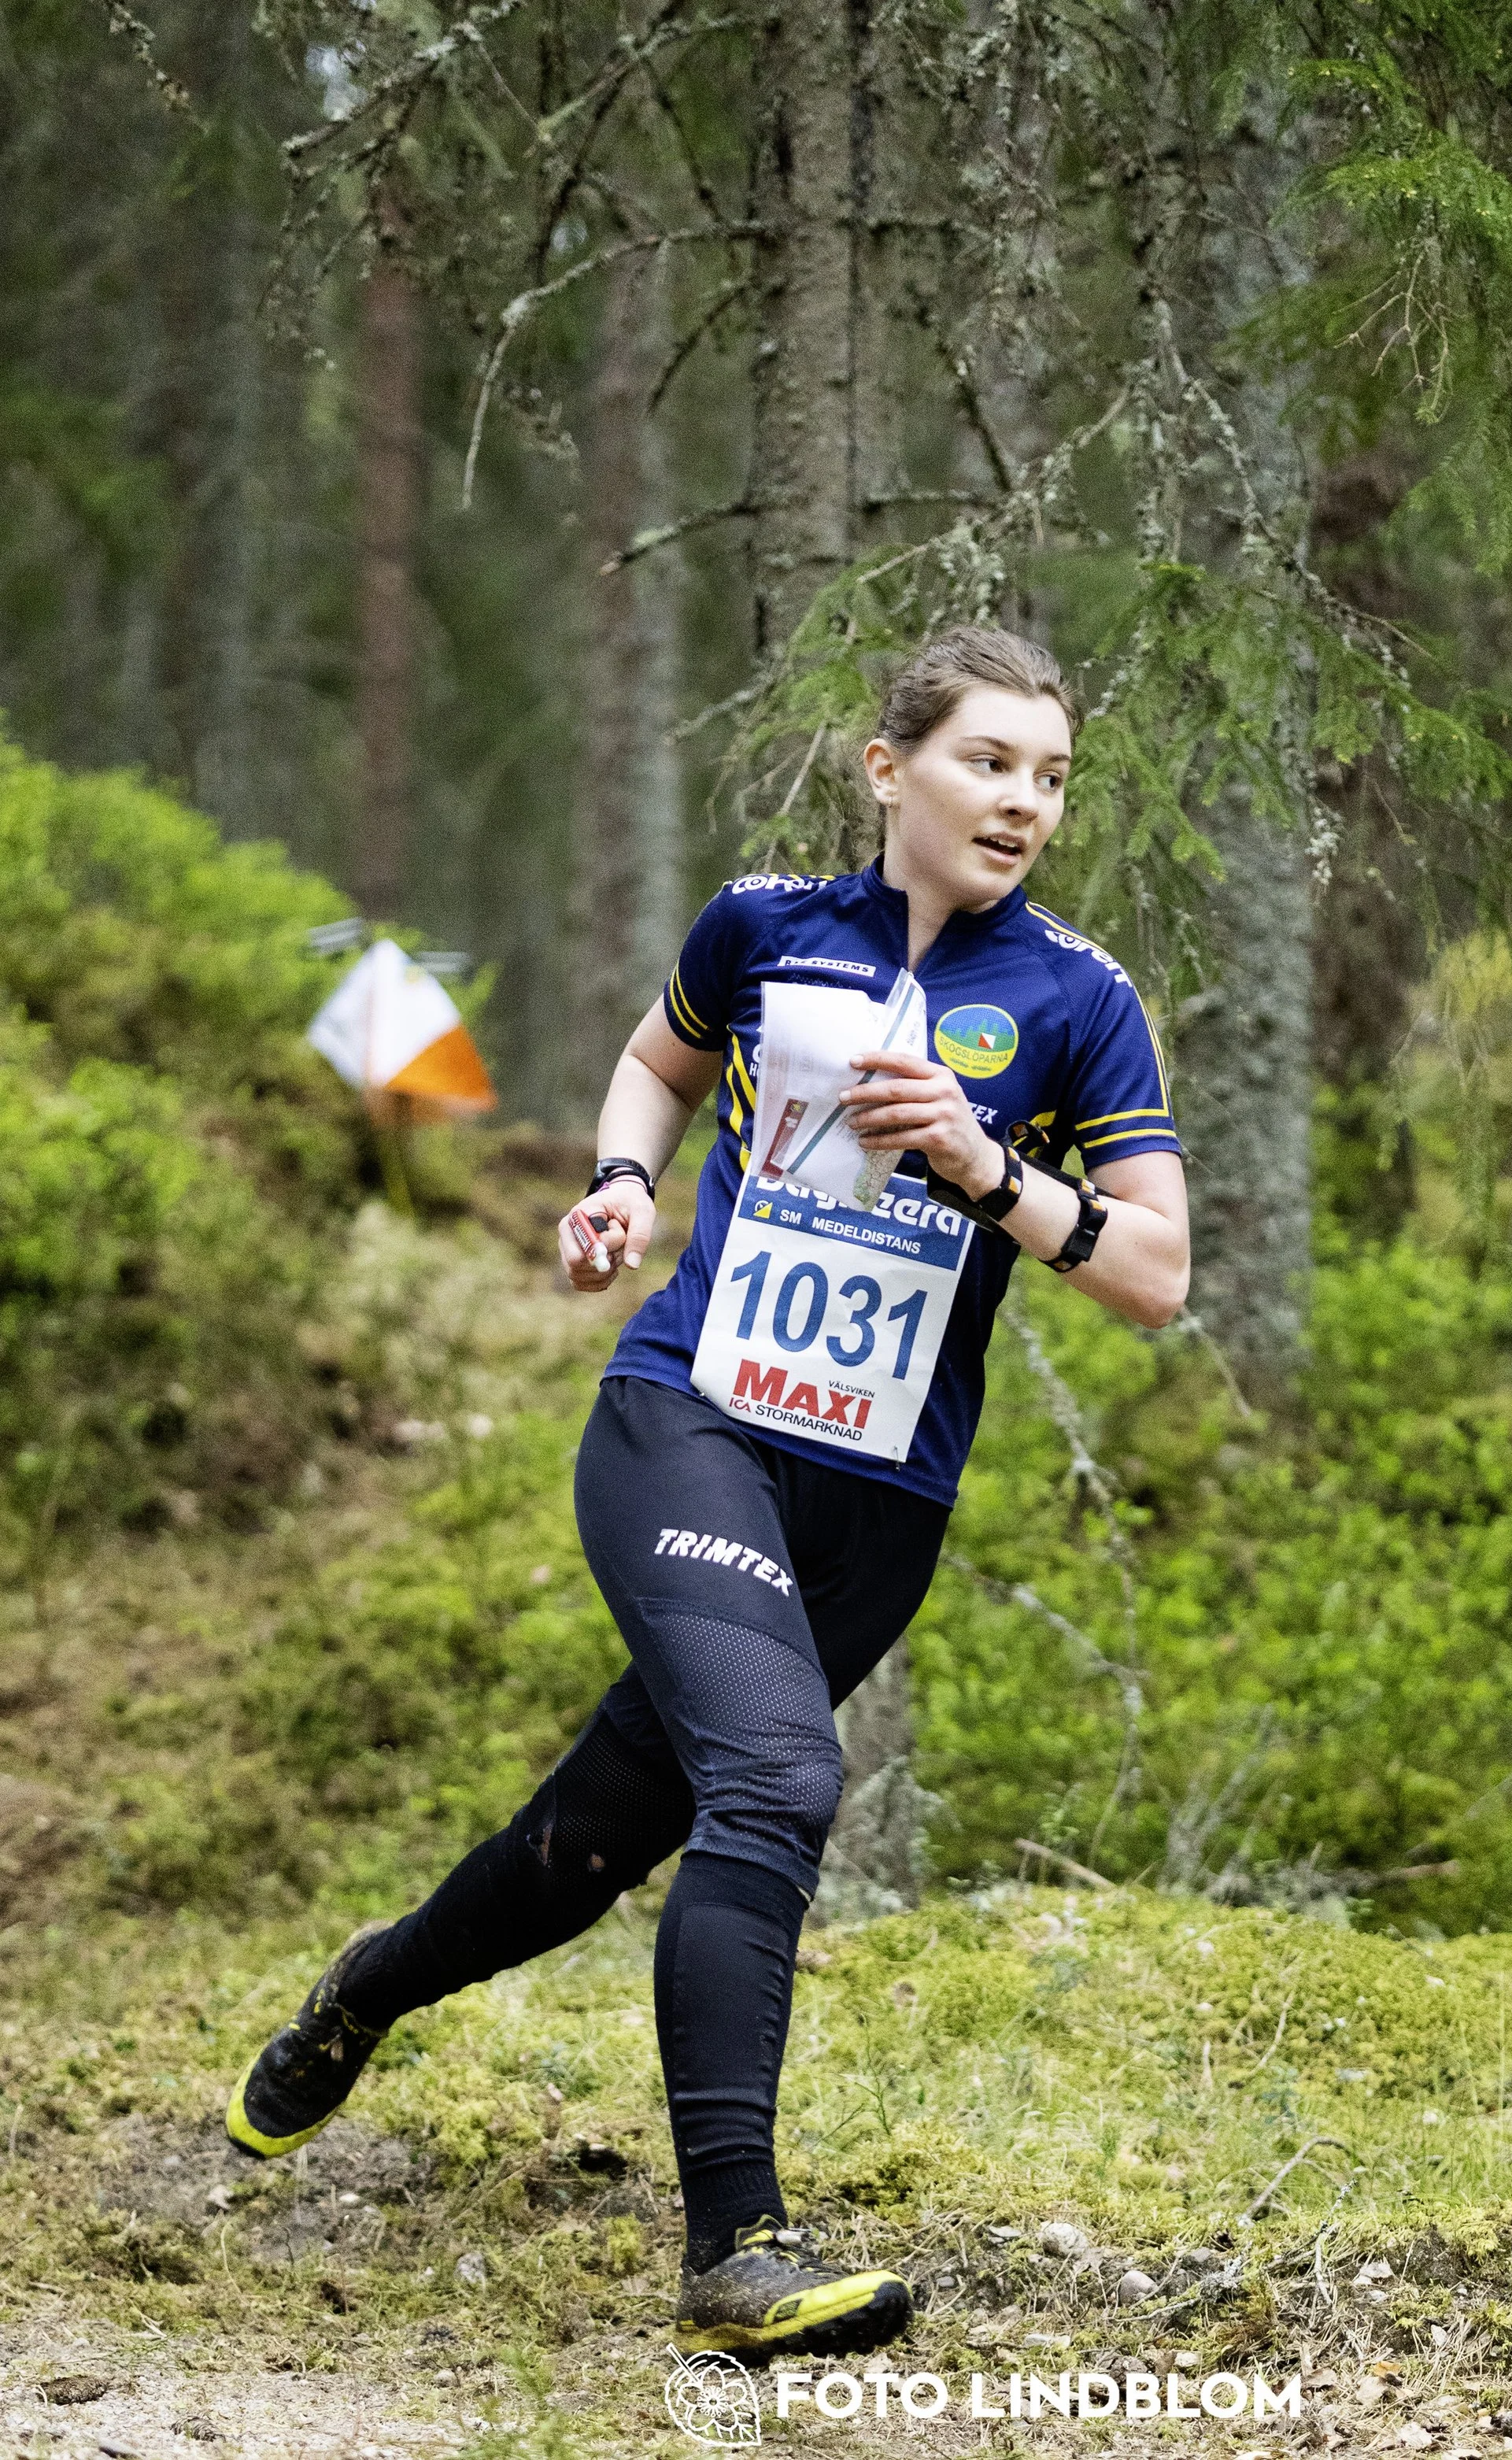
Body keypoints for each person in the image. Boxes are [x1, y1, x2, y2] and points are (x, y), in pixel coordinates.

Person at [224, 626, 1189, 2357]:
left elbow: (1155, 1274)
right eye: (988, 762)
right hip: (691, 1426)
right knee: (779, 1770)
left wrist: (989, 1171)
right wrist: (613, 1182)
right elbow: (662, 1058)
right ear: (888, 769)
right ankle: (735, 2245)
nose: (1023, 802)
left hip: (877, 1506)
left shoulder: (1076, 1000)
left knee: (589, 1842)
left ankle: (362, 1990)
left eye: (1050, 776)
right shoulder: (760, 924)